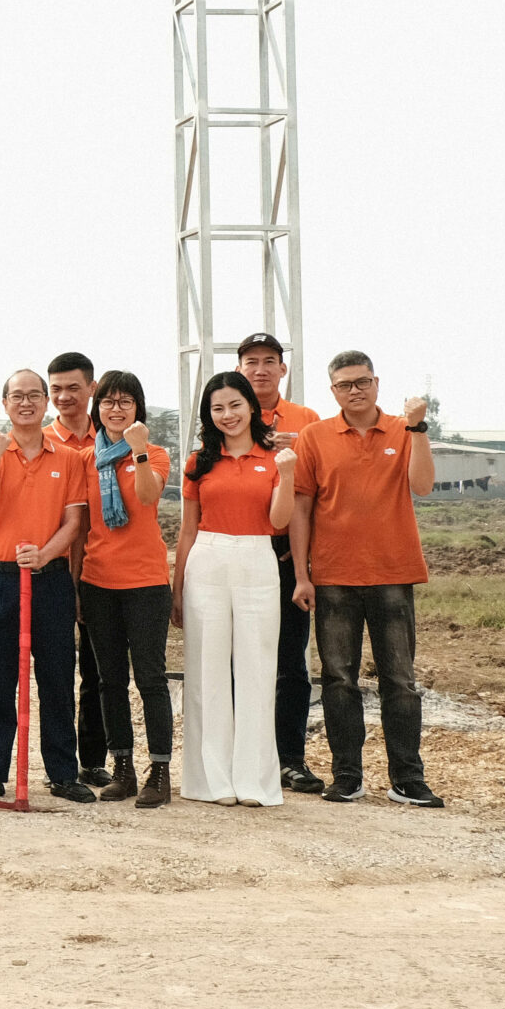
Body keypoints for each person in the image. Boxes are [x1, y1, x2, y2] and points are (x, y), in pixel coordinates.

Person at [293, 351, 441, 807]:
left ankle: (407, 779)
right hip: (334, 574)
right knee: (339, 678)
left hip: (393, 572)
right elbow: (301, 507)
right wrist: (301, 574)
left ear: (377, 383)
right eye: (345, 384)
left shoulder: (403, 429)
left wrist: (418, 428)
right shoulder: (315, 437)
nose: (354, 391)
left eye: (362, 382)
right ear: (332, 390)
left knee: (400, 679)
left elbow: (422, 485)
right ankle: (347, 776)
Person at [173, 370, 295, 807]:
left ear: (252, 407)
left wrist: (288, 474)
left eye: (235, 405)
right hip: (207, 558)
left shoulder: (275, 458)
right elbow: (187, 530)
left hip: (257, 559)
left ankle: (254, 781)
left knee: (257, 669)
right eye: (217, 408)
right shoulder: (199, 462)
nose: (228, 415)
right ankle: (210, 781)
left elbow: (279, 521)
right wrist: (177, 588)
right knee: (205, 670)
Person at [0, 370, 90, 802]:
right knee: (0, 680)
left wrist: (44, 554)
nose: (26, 403)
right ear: (4, 404)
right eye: (17, 396)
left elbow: (74, 522)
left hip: (51, 580)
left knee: (57, 679)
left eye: (34, 395)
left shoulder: (69, 458)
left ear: (45, 402)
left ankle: (62, 773)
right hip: (0, 580)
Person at [73, 371, 175, 807]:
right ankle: (123, 769)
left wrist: (139, 452)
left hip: (146, 583)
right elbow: (79, 527)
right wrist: (76, 585)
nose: (116, 409)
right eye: (108, 401)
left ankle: (160, 771)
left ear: (138, 408)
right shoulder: (85, 460)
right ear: (98, 409)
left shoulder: (155, 453)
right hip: (98, 581)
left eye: (125, 401)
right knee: (109, 680)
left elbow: (149, 497)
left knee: (150, 678)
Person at [237, 331, 327, 794]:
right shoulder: (229, 416)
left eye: (269, 361)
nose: (260, 370)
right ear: (239, 369)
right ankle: (243, 755)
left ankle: (290, 757)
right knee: (241, 656)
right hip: (242, 545)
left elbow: (316, 493)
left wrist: (304, 551)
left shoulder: (307, 420)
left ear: (282, 369)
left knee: (290, 660)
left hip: (286, 551)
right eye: (251, 361)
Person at [45, 351, 114, 791]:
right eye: (56, 389)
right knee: (55, 672)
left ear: (92, 388)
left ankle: (93, 759)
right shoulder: (39, 442)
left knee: (97, 670)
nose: (64, 396)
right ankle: (59, 764)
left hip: (99, 569)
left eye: (74, 387)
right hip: (51, 571)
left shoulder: (109, 440)